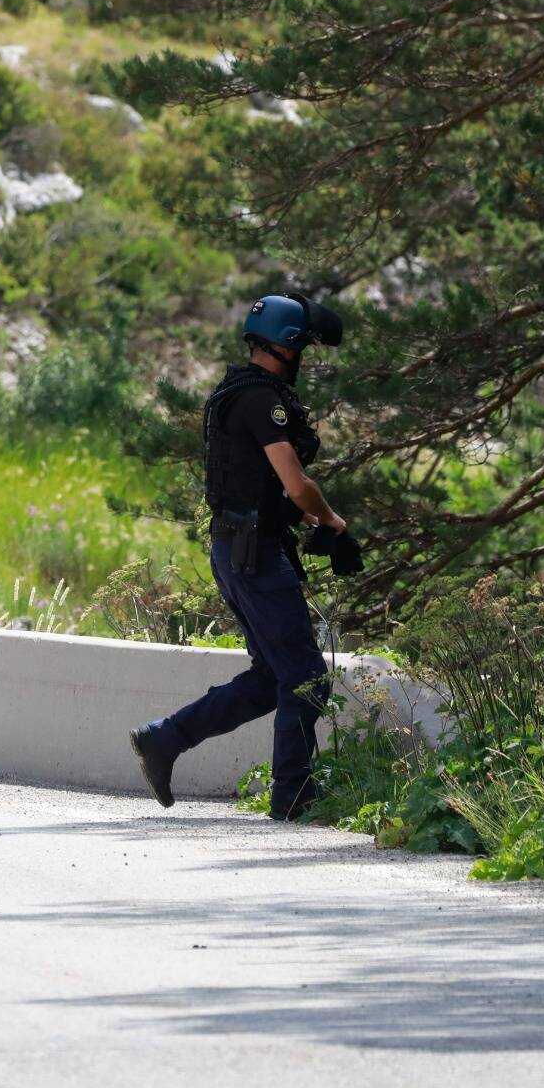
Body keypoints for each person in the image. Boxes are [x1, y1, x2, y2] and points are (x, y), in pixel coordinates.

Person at [130, 293, 360, 820]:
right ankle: (293, 798)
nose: (307, 360)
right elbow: (296, 484)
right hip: (254, 555)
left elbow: (256, 490)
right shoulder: (263, 400)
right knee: (305, 675)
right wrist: (329, 520)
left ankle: (164, 740)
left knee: (269, 678)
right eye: (305, 348)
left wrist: (304, 520)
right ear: (289, 346)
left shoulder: (236, 392)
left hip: (237, 547)